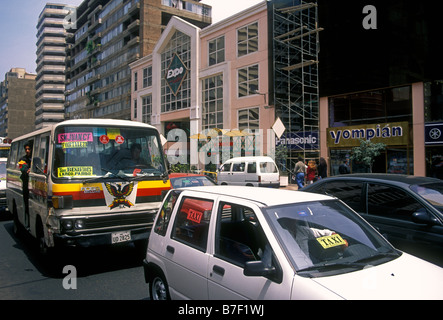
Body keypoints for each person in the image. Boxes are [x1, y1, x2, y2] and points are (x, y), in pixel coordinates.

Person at [18, 141, 32, 228]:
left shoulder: (36, 158)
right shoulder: (21, 160)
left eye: (29, 149)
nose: (27, 151)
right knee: (27, 205)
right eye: (26, 149)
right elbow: (24, 169)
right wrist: (28, 170)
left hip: (35, 186)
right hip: (26, 186)